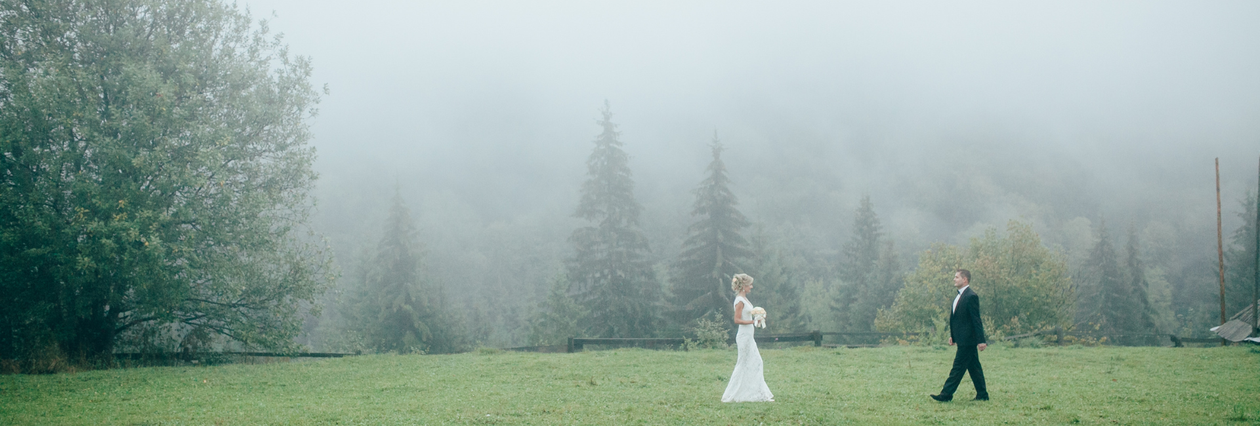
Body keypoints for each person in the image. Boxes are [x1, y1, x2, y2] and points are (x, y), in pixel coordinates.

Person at [931, 269, 988, 402]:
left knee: (957, 368)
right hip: (962, 339)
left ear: (965, 280)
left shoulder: (971, 296)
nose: (954, 279)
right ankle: (982, 395)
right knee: (974, 368)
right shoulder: (959, 296)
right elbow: (958, 320)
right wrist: (953, 336)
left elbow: (976, 320)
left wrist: (981, 340)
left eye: (957, 277)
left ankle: (946, 395)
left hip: (968, 340)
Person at [721, 273, 775, 402]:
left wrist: (758, 317)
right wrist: (752, 322)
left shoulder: (744, 299)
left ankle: (754, 392)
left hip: (749, 336)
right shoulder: (739, 301)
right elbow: (737, 319)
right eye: (750, 284)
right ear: (744, 286)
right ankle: (733, 393)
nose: (751, 287)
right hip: (744, 336)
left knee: (756, 362)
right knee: (744, 363)